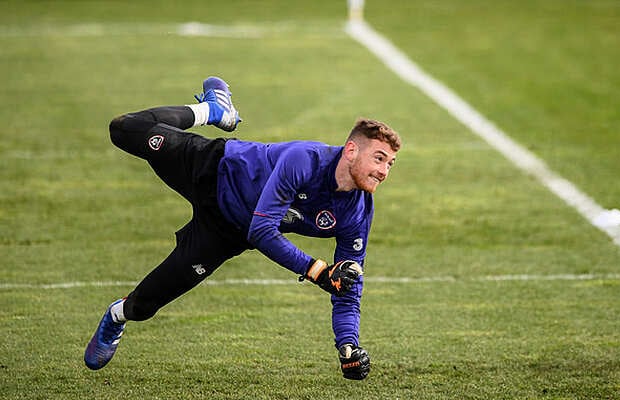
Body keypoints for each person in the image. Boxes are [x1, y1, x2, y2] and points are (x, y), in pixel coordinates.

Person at [84, 76, 401, 380]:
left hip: (226, 233)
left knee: (143, 306)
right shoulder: (304, 160)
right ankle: (212, 110)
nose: (384, 170)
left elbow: (348, 284)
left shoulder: (357, 213)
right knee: (125, 129)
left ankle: (115, 316)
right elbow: (263, 230)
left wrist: (348, 345)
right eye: (379, 158)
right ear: (350, 151)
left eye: (389, 163)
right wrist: (317, 271)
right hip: (212, 168)